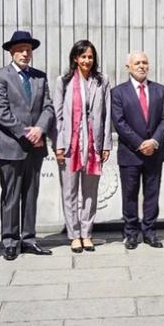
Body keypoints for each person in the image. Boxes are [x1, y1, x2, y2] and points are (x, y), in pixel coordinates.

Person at [0, 30, 55, 260]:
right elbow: (1, 111)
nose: (25, 54)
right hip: (10, 145)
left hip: (35, 147)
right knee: (11, 195)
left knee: (30, 195)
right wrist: (25, 132)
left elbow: (48, 107)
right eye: (20, 50)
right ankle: (9, 240)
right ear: (11, 51)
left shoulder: (40, 77)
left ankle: (28, 239)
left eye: (28, 50)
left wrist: (40, 129)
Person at [52, 40, 112, 253]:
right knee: (69, 191)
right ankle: (74, 234)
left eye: (90, 56)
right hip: (70, 144)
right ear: (75, 58)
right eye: (83, 56)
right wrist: (58, 145)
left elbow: (106, 115)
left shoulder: (101, 81)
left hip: (93, 145)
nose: (87, 60)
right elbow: (58, 116)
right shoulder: (64, 81)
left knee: (90, 192)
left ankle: (87, 233)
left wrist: (106, 144)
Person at [111, 50, 164, 250]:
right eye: (137, 63)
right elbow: (119, 123)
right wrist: (140, 143)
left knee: (152, 193)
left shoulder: (160, 90)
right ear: (128, 67)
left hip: (154, 152)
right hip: (130, 153)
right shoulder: (118, 92)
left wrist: (153, 142)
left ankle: (150, 232)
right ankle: (131, 233)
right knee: (130, 194)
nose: (141, 66)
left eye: (145, 62)